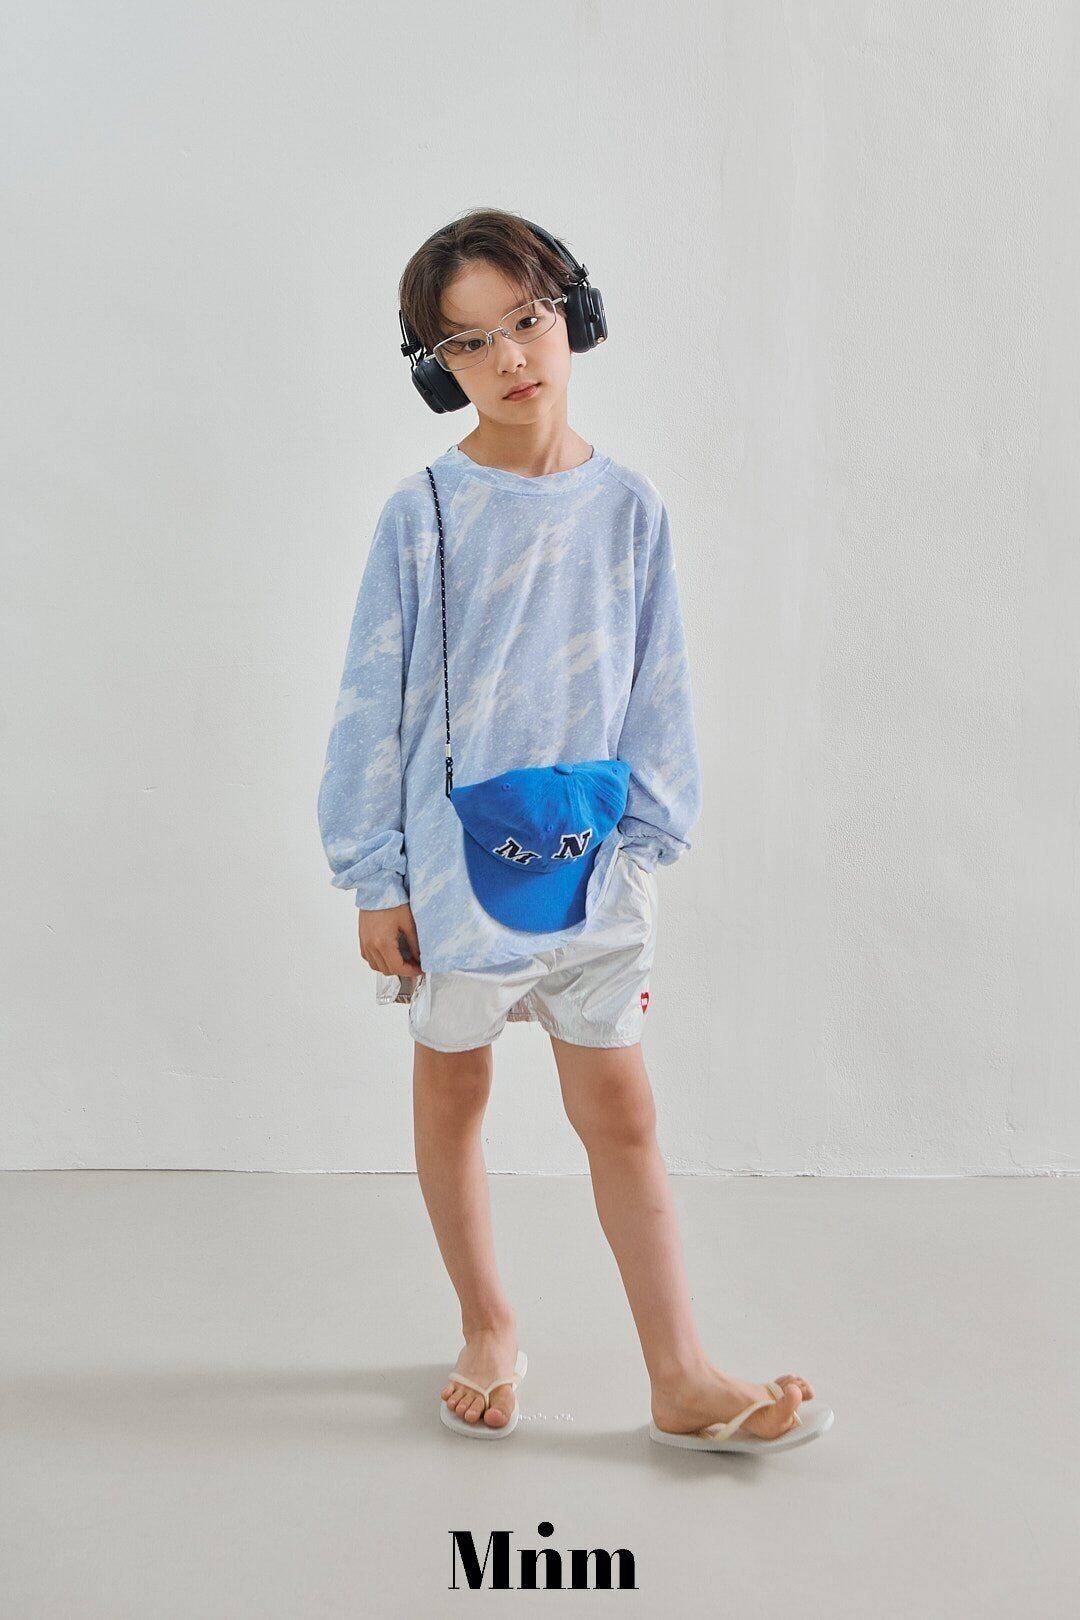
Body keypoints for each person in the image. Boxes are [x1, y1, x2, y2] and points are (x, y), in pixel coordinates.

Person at [318, 208, 824, 1450]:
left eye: (528, 319)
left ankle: (682, 1374)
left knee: (624, 1113)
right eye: (468, 341)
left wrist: (645, 844)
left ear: (573, 316)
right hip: (450, 867)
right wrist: (375, 876)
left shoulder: (630, 507)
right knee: (456, 1088)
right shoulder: (424, 513)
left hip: (597, 860)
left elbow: (661, 686)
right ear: (439, 366)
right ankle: (488, 1323)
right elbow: (372, 701)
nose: (508, 358)